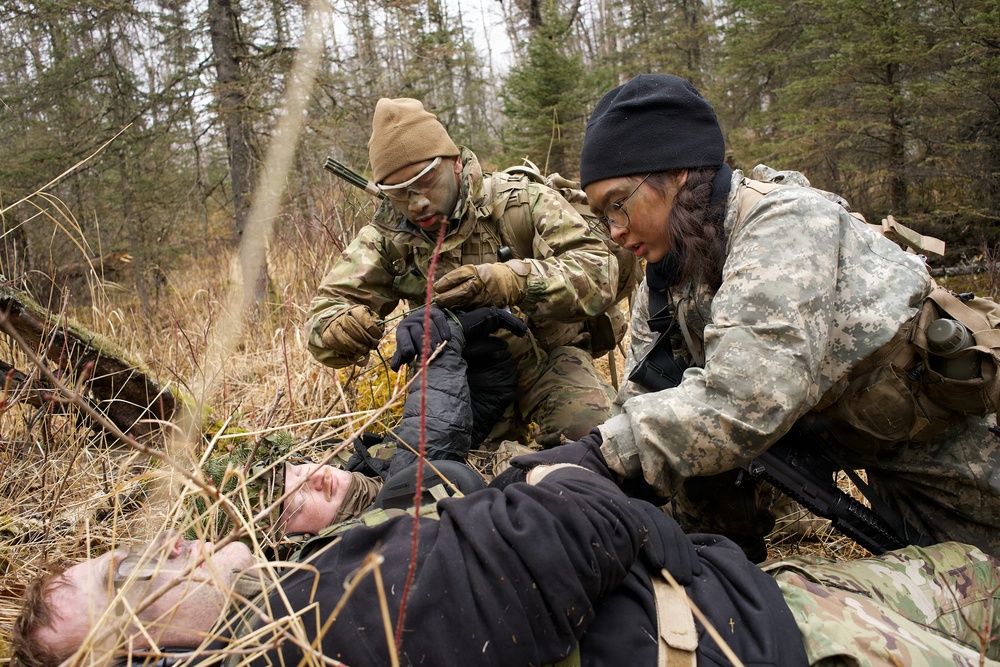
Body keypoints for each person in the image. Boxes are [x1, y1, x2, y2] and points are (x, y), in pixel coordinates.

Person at [12, 436, 1000, 667]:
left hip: (742, 595)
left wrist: (360, 492)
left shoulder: (300, 598)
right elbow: (586, 522)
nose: (173, 545)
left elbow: (467, 533)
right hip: (788, 637)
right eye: (140, 576)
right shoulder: (321, 621)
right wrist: (558, 467)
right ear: (159, 653)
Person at [563, 73, 1000, 560]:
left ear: (678, 173)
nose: (616, 232)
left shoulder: (785, 221)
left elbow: (748, 399)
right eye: (604, 218)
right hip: (822, 435)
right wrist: (578, 476)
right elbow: (646, 398)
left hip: (929, 440)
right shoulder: (665, 280)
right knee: (684, 456)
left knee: (975, 584)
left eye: (618, 205)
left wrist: (600, 453)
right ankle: (722, 577)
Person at [306, 97, 623, 447]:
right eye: (397, 193)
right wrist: (340, 329)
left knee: (595, 441)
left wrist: (513, 281)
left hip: (549, 360)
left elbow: (598, 270)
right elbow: (325, 314)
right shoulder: (386, 240)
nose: (416, 203)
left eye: (425, 181)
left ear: (456, 162)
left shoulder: (520, 202)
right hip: (458, 375)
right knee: (435, 470)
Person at [190, 305, 525, 549]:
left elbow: (464, 427)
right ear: (278, 541)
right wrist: (439, 352)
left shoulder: (369, 468)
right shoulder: (338, 556)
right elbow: (425, 471)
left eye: (296, 469)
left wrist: (478, 364)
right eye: (294, 501)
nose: (315, 476)